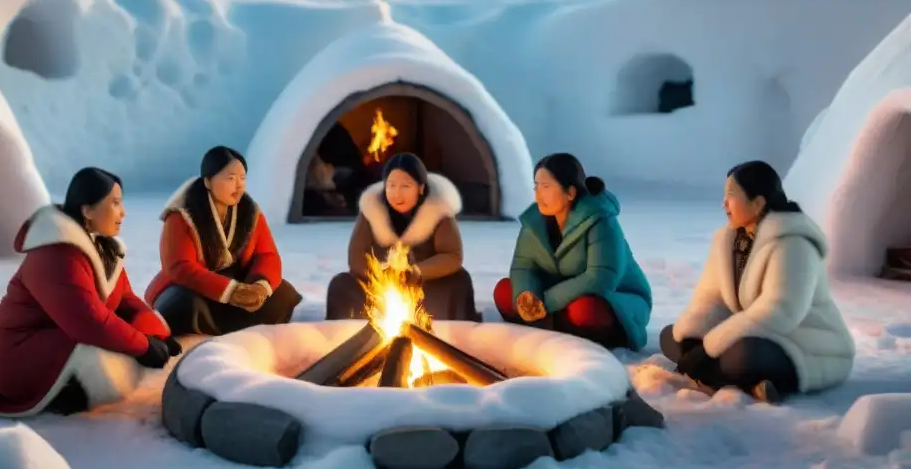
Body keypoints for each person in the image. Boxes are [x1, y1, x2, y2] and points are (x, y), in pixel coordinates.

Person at [0, 168, 181, 418]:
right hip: (19, 355)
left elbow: (126, 301)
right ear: (87, 210)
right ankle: (60, 392)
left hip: (62, 338)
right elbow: (88, 321)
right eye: (115, 204)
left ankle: (75, 389)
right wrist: (143, 346)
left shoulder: (101, 248)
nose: (124, 212)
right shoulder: (55, 255)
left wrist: (158, 333)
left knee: (119, 346)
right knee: (105, 359)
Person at [661, 161, 855, 403]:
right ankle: (748, 382)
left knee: (743, 356)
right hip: (750, 334)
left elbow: (779, 311)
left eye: (731, 196)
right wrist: (694, 339)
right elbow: (711, 298)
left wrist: (710, 348)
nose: (724, 204)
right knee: (673, 337)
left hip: (803, 345)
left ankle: (721, 375)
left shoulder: (793, 244)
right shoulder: (728, 240)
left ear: (758, 202)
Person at [494, 153, 652, 351]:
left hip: (611, 297)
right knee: (506, 291)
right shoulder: (534, 222)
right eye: (536, 186)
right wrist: (527, 295)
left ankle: (567, 332)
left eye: (546, 187)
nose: (538, 195)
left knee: (585, 310)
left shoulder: (600, 221)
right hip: (557, 296)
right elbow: (523, 265)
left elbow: (600, 278)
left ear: (570, 192)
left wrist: (546, 302)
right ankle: (551, 327)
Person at [144, 146, 302, 335]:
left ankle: (244, 327)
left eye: (242, 178)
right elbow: (180, 266)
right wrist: (230, 292)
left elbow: (266, 254)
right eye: (230, 178)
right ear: (208, 181)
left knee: (282, 294)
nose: (238, 185)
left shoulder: (251, 213)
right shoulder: (182, 216)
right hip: (197, 288)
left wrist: (259, 286)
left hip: (241, 284)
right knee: (182, 305)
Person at [325, 152, 480, 321]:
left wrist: (416, 272)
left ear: (420, 188)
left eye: (405, 186)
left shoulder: (438, 211)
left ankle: (446, 334)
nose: (397, 194)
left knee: (459, 281)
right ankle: (351, 335)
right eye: (391, 186)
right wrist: (382, 274)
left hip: (426, 287)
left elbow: (452, 256)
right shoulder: (372, 210)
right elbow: (356, 255)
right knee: (341, 284)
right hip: (380, 288)